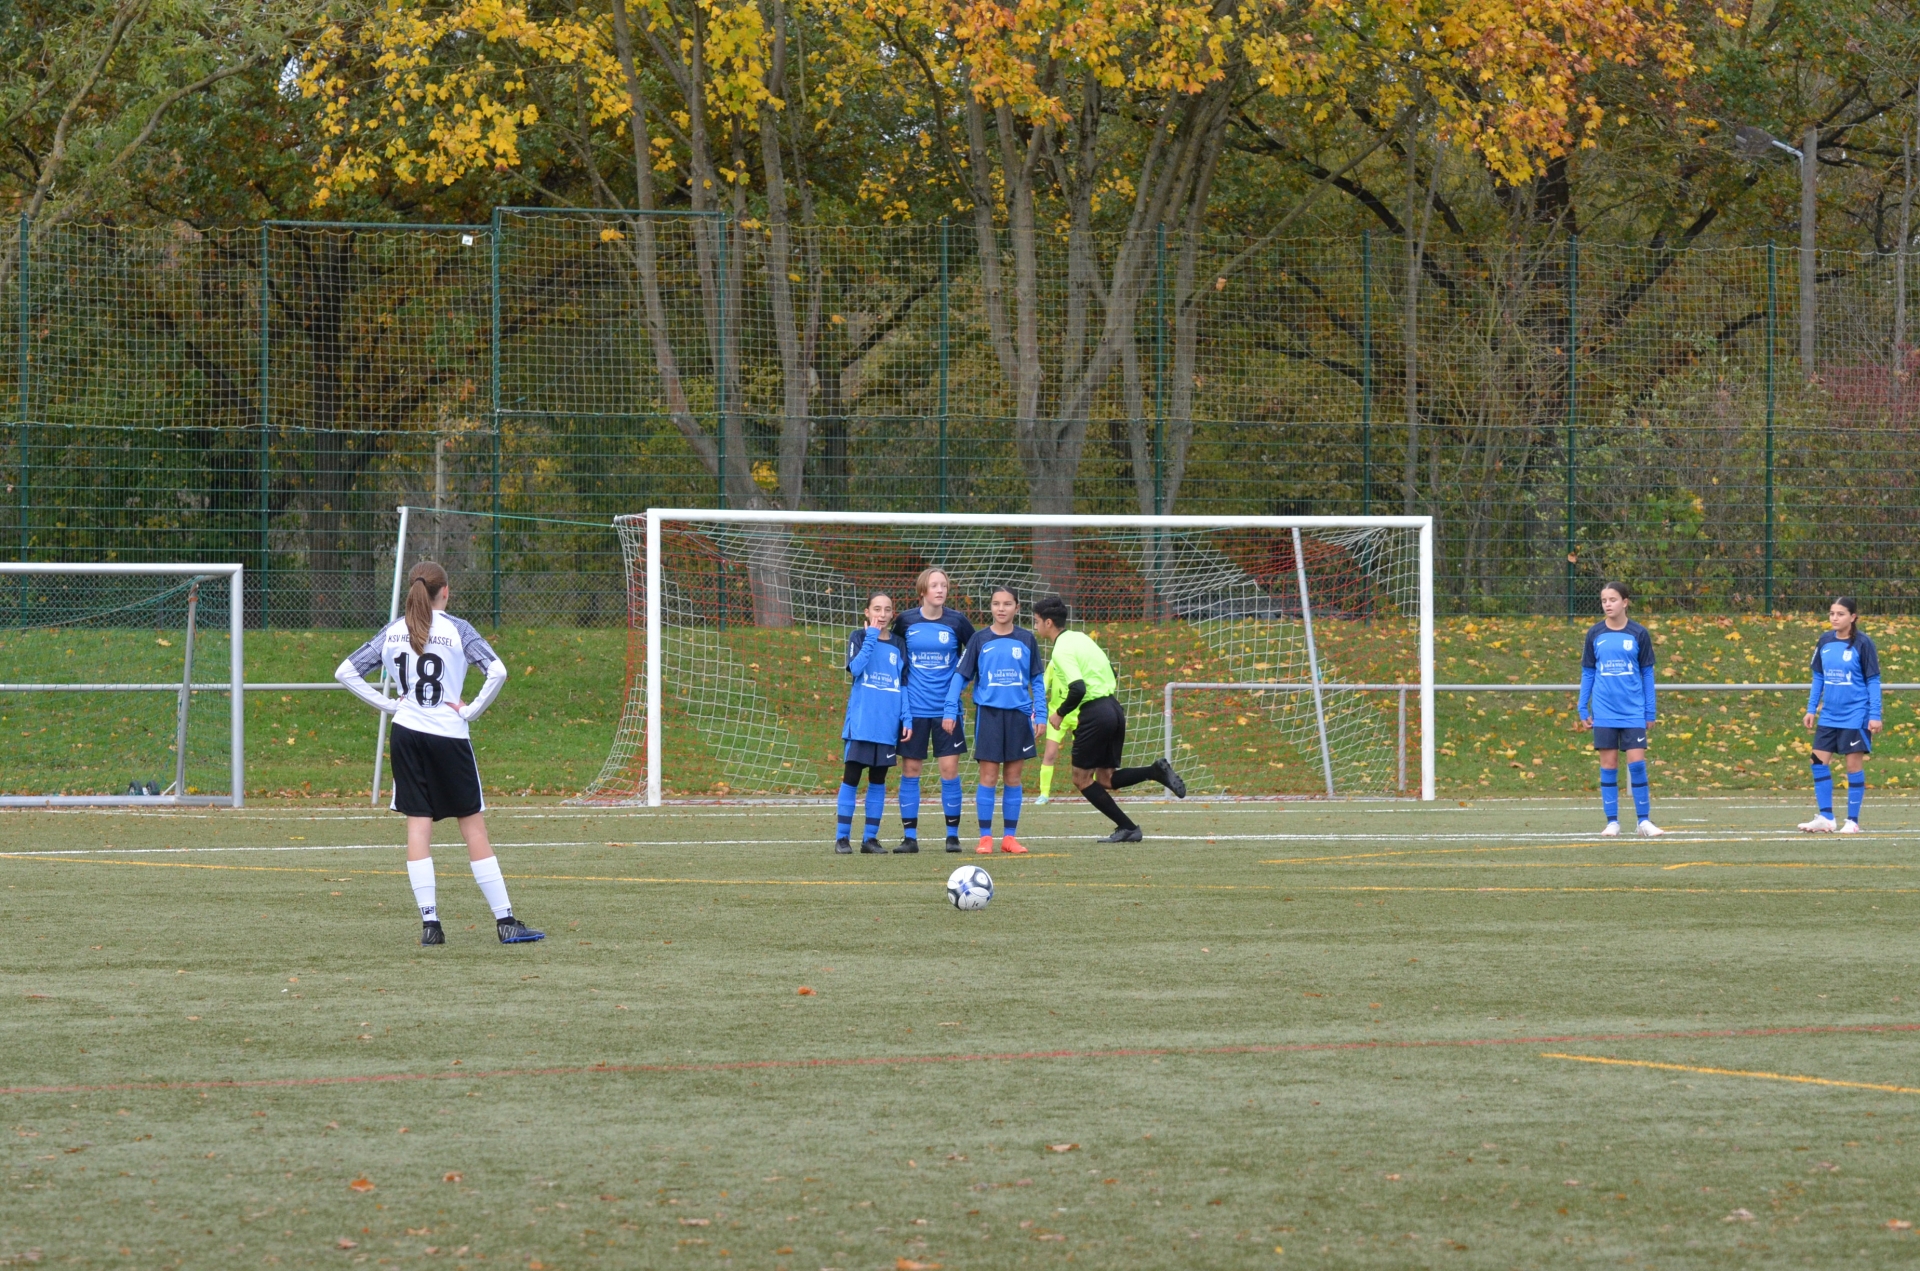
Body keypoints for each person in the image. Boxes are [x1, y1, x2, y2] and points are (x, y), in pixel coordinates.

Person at [334, 561, 543, 945]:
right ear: (445, 591)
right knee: (473, 827)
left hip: (406, 735)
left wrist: (391, 706)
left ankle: (431, 926)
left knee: (418, 825)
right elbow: (497, 671)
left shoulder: (394, 631)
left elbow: (345, 672)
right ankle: (505, 922)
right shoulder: (458, 629)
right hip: (448, 736)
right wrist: (469, 710)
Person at [1031, 596, 1186, 842]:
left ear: (1048, 622)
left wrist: (1059, 714)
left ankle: (1128, 826)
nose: (1035, 626)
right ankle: (1154, 771)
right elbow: (1111, 671)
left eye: (1036, 621)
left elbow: (1078, 688)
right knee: (1106, 779)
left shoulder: (1060, 649)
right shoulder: (1081, 638)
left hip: (1094, 714)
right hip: (1114, 708)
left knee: (1081, 779)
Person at [944, 586, 1044, 855]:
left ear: (1017, 608)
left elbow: (1037, 679)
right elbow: (960, 676)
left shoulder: (1027, 639)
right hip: (989, 715)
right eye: (996, 604)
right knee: (988, 776)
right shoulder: (979, 639)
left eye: (1007, 604)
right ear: (990, 607)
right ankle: (985, 837)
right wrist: (949, 709)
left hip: (1019, 717)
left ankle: (1009, 838)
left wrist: (1041, 714)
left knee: (1013, 776)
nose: (1001, 609)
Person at [892, 568, 976, 852]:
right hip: (914, 710)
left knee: (949, 769)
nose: (940, 590)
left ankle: (952, 836)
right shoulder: (905, 621)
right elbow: (897, 661)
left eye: (944, 585)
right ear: (922, 591)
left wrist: (957, 695)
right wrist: (902, 709)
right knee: (911, 769)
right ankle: (910, 838)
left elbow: (973, 655)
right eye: (934, 585)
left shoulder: (958, 621)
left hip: (946, 711)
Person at [1576, 580, 1663, 838]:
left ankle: (1643, 821)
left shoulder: (1638, 633)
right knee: (1609, 764)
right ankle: (1612, 822)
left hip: (1633, 710)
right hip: (1604, 711)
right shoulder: (1595, 634)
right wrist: (1582, 707)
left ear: (1625, 602)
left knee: (1637, 763)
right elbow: (1588, 673)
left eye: (1612, 600)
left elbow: (1647, 674)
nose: (1607, 605)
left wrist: (1650, 711)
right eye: (1604, 600)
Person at [837, 591, 914, 854]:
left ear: (893, 615)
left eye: (887, 610)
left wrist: (906, 716)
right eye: (877, 609)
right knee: (852, 777)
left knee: (878, 780)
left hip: (887, 724)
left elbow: (902, 684)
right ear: (867, 613)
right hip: (861, 723)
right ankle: (842, 838)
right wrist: (870, 637)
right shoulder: (858, 637)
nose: (882, 614)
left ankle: (870, 838)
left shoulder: (899, 644)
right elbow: (856, 669)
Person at [1800, 596, 1881, 834]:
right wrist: (1811, 709)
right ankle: (1826, 817)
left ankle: (1852, 821)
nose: (1835, 618)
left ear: (1853, 617)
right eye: (1832, 613)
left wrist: (1874, 714)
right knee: (1817, 762)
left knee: (1852, 766)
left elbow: (1873, 680)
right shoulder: (1824, 641)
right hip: (1829, 715)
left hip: (1856, 714)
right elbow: (1818, 677)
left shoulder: (1863, 643)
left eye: (1840, 614)